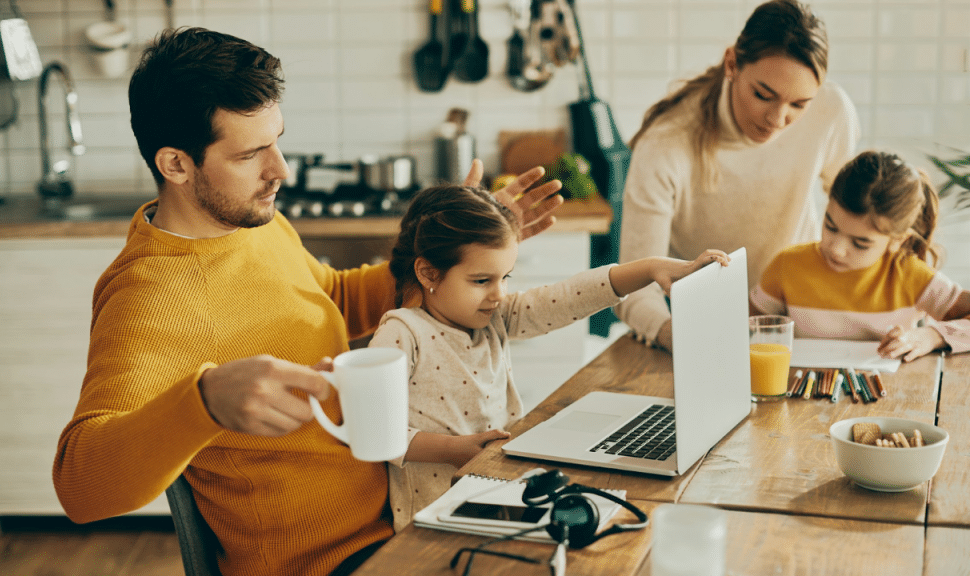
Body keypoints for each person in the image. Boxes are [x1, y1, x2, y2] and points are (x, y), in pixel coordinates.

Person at [51, 28, 564, 576]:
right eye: (251, 154)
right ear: (176, 165)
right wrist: (201, 402)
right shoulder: (148, 298)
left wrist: (450, 258)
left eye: (277, 141)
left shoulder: (248, 222)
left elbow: (333, 299)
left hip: (405, 513)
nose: (281, 171)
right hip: (331, 562)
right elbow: (80, 488)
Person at [366, 184, 729, 529]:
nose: (498, 293)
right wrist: (452, 450)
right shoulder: (402, 333)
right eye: (481, 281)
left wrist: (650, 268)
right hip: (432, 518)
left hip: (497, 495)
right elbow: (372, 429)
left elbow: (568, 296)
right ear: (429, 272)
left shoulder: (495, 318)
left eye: (504, 277)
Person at [616, 0, 859, 351]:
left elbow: (859, 218)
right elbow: (634, 285)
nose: (778, 120)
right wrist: (672, 333)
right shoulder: (665, 144)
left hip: (804, 319)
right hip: (705, 327)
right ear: (732, 64)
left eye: (798, 105)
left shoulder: (831, 110)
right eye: (763, 95)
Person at [750, 150, 970, 363]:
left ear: (898, 241)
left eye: (860, 243)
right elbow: (745, 331)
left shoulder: (910, 274)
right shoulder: (787, 265)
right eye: (830, 227)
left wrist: (932, 336)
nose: (836, 248)